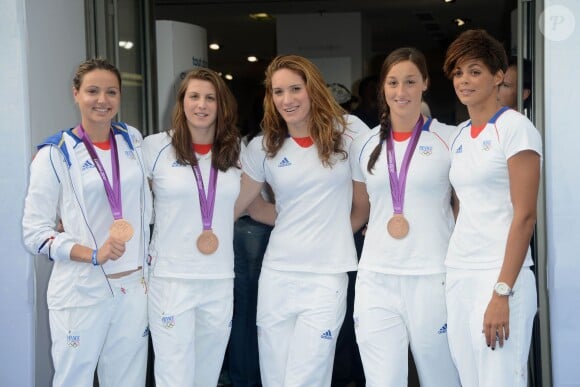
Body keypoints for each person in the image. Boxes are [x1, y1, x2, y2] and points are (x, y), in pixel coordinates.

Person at [234, 54, 370, 387]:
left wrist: (328, 234)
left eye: (295, 89)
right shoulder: (263, 146)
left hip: (326, 277)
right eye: (278, 92)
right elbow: (247, 207)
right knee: (275, 375)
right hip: (277, 275)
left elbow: (362, 206)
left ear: (313, 89)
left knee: (307, 375)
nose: (287, 99)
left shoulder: (349, 132)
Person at [22, 58, 152, 387]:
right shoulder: (55, 153)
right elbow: (34, 234)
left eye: (111, 92)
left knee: (128, 382)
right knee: (74, 381)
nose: (102, 100)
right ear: (76, 93)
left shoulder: (132, 139)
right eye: (92, 91)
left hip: (133, 288)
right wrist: (91, 252)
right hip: (83, 289)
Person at [350, 47, 460, 387]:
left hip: (432, 276)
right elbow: (359, 211)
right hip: (376, 278)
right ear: (383, 87)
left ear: (425, 83)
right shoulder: (365, 144)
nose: (401, 92)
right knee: (382, 381)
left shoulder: (450, 138)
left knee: (440, 378)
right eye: (393, 82)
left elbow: (463, 206)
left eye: (410, 81)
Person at [442, 29, 542, 386]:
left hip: (500, 277)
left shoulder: (516, 128)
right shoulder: (460, 135)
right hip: (460, 273)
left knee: (501, 379)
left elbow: (526, 215)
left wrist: (503, 291)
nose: (464, 80)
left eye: (474, 71)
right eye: (457, 72)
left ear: (498, 76)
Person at [142, 68, 241, 387]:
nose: (202, 105)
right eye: (194, 96)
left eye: (210, 98)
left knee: (207, 376)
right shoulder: (154, 147)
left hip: (219, 279)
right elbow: (125, 194)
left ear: (221, 105)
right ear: (181, 102)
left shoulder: (238, 151)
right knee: (174, 376)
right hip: (172, 280)